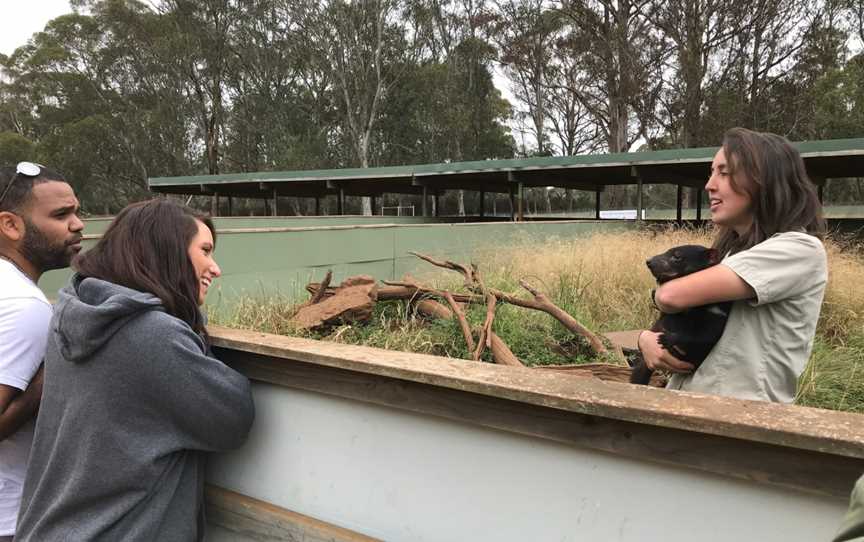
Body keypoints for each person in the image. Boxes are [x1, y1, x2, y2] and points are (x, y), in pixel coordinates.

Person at [15, 199, 255, 541]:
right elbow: (232, 417)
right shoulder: (150, 334)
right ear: (167, 252)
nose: (215, 268)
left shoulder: (74, 312)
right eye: (205, 250)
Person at [637, 127, 827, 402]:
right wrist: (646, 339)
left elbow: (670, 296)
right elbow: (687, 324)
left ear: (765, 180)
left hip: (742, 420)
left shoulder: (798, 250)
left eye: (724, 173)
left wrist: (661, 296)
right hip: (693, 407)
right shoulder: (731, 256)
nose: (710, 185)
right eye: (712, 172)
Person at [0, 162, 83, 542]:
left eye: (76, 211)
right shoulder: (23, 305)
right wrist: (58, 365)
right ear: (11, 225)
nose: (78, 224)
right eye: (61, 215)